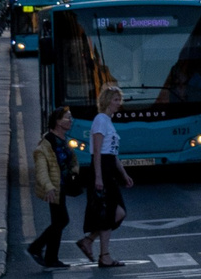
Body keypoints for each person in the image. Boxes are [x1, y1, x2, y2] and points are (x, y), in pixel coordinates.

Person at [78, 84, 131, 268]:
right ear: (108, 101)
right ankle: (104, 254)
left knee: (116, 212)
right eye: (116, 100)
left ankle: (90, 241)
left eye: (119, 100)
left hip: (109, 169)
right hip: (102, 169)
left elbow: (112, 152)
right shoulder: (100, 120)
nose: (119, 104)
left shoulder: (108, 121)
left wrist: (124, 174)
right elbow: (98, 151)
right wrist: (99, 177)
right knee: (113, 212)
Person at [28, 104, 76, 268]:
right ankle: (37, 248)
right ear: (57, 121)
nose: (71, 120)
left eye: (70, 117)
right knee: (61, 220)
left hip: (61, 186)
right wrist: (49, 187)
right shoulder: (46, 144)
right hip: (54, 187)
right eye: (67, 118)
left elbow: (72, 159)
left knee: (59, 221)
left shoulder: (64, 140)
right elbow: (41, 169)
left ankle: (50, 257)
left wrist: (74, 171)